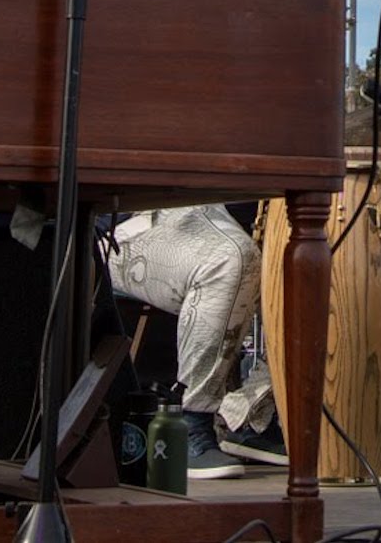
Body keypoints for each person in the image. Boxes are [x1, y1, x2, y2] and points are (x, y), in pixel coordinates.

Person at [107, 204, 273, 478]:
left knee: (323, 255)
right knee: (228, 260)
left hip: (217, 211)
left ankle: (257, 418)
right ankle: (188, 425)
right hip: (124, 223)